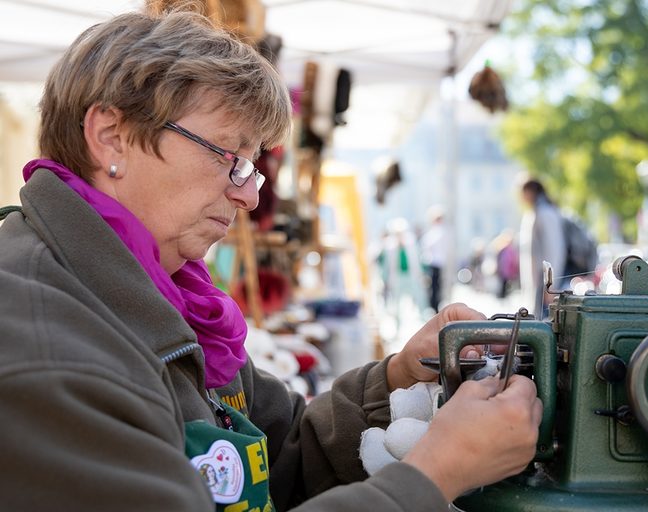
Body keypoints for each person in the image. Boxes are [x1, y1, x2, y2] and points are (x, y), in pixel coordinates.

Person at [0, 9, 542, 511]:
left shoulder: (165, 300)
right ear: (111, 137)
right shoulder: (43, 344)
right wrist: (431, 476)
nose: (250, 196)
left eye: (251, 167)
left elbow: (281, 453)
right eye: (227, 157)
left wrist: (397, 378)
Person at [518, 178, 567, 318]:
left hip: (544, 282)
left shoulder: (544, 213)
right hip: (540, 282)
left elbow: (554, 250)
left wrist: (550, 286)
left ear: (530, 191)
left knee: (544, 325)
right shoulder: (538, 211)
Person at [420, 205, 449, 312]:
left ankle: (434, 305)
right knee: (433, 286)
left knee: (435, 287)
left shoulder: (439, 231)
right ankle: (433, 305)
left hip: (436, 262)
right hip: (433, 262)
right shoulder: (436, 231)